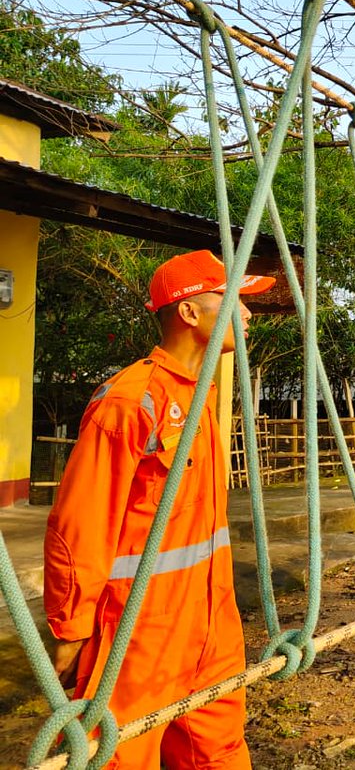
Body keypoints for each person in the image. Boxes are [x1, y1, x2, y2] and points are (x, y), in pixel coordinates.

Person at [44, 249, 275, 768]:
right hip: (140, 630)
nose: (247, 313)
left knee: (218, 752)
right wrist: (71, 627)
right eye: (232, 299)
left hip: (212, 620)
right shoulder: (131, 402)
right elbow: (80, 526)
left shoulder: (200, 398)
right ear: (190, 313)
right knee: (120, 756)